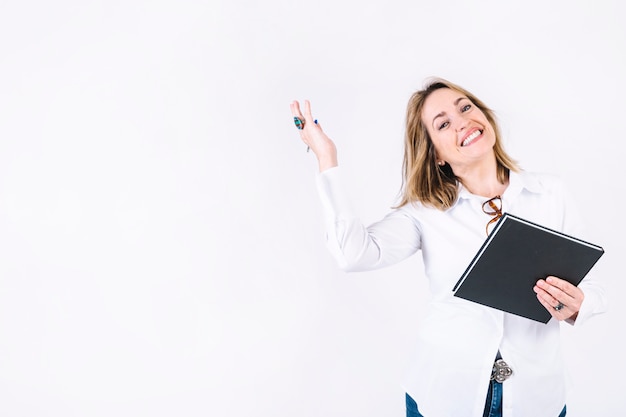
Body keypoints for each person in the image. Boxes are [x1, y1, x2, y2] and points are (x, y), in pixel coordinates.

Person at [289, 77, 607, 417]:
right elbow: (352, 255)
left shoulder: (550, 193)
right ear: (436, 153)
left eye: (465, 107)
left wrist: (578, 305)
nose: (463, 122)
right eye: (443, 124)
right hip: (447, 396)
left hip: (536, 399)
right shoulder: (424, 213)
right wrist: (327, 158)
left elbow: (593, 283)